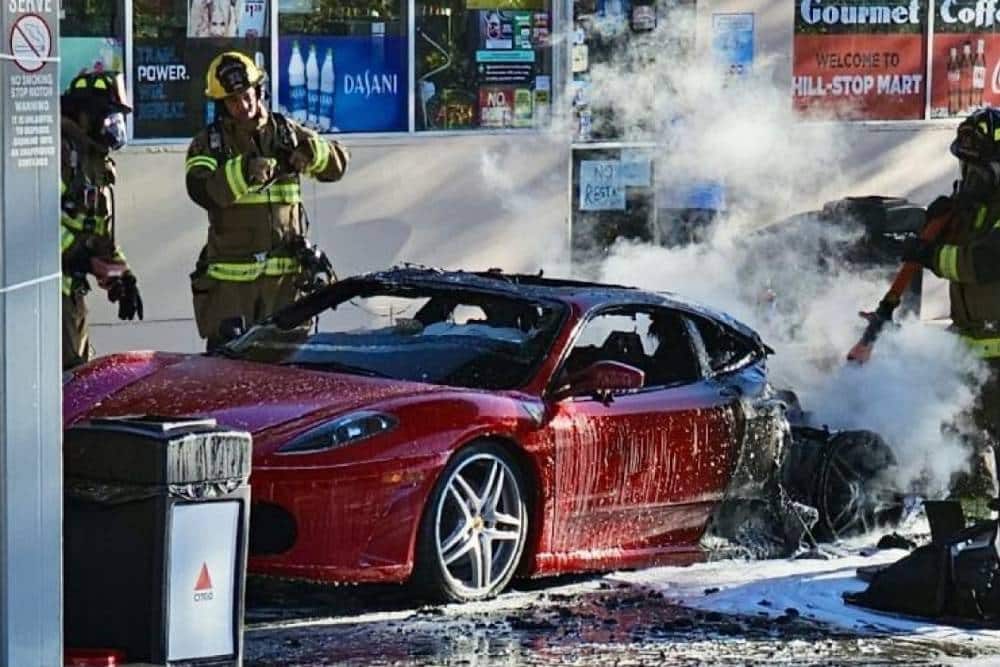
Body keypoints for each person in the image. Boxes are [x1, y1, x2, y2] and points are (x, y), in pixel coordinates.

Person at [185, 51, 349, 350]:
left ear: (259, 91)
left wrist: (314, 153)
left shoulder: (285, 131)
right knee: (228, 378)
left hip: (285, 289)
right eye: (232, 101)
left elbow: (338, 164)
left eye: (247, 95)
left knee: (289, 375)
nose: (243, 105)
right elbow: (200, 189)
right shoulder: (209, 143)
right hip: (232, 292)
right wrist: (244, 171)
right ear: (221, 105)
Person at [903, 106, 1000, 513]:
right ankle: (970, 542)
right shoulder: (972, 209)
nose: (967, 176)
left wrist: (931, 253)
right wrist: (939, 222)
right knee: (961, 449)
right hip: (972, 351)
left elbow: (980, 264)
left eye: (976, 168)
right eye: (964, 165)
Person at [60, 70, 143, 370]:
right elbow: (37, 225)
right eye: (109, 117)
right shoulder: (58, 154)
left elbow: (99, 233)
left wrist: (123, 276)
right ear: (86, 115)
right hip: (48, 293)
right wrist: (80, 258)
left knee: (76, 371)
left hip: (71, 291)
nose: (115, 127)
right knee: (65, 376)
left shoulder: (93, 160)